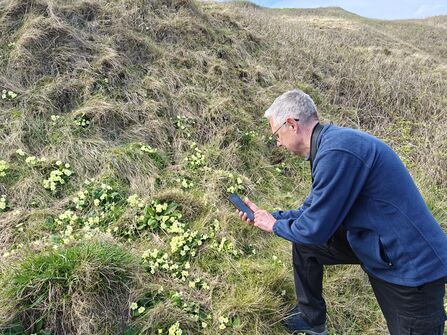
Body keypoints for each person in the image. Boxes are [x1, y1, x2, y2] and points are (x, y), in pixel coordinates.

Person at [236, 89, 447, 335]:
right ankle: (311, 319)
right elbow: (312, 211)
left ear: (291, 124)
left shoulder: (337, 152)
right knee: (306, 247)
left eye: (276, 135)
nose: (278, 143)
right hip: (380, 247)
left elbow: (313, 229)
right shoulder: (331, 146)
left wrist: (273, 225)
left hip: (411, 268)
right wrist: (270, 216)